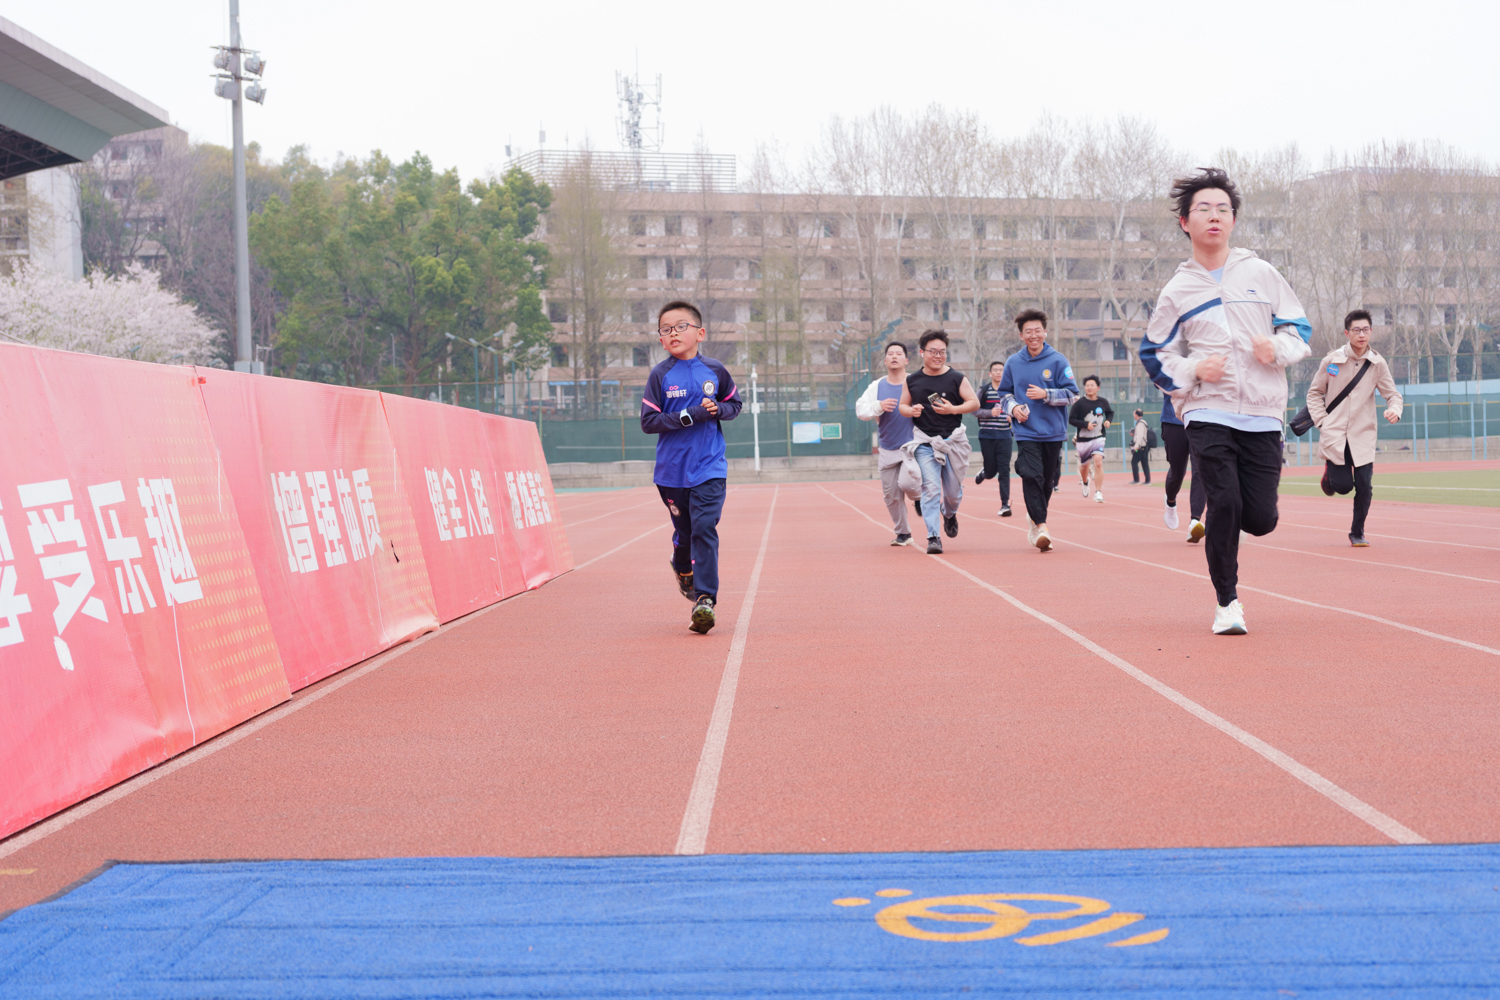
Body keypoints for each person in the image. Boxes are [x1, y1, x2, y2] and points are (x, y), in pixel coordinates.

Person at [1139, 168, 1312, 635]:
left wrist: (1275, 348)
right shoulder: (1177, 291)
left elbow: (1300, 329)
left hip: (1261, 412)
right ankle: (1227, 603)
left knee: (1260, 519)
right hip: (1206, 410)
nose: (1214, 217)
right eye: (1204, 209)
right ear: (1184, 222)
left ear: (1233, 220)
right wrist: (1194, 371)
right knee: (1224, 502)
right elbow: (1154, 355)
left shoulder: (1261, 273)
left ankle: (1232, 531)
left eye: (1223, 210)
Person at [640, 300, 743, 634]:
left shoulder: (715, 370)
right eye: (666, 329)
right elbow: (649, 421)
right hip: (671, 473)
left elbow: (734, 404)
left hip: (709, 467)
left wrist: (718, 411)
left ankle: (705, 600)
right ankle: (681, 564)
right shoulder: (660, 375)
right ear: (661, 339)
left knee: (704, 528)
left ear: (700, 333)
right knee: (685, 534)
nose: (673, 333)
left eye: (680, 326)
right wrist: (690, 415)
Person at [1307, 309, 1403, 546]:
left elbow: (1393, 395)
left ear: (1371, 331)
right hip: (1335, 434)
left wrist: (1395, 410)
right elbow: (1315, 393)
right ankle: (1330, 478)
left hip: (1363, 435)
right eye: (1357, 330)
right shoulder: (1332, 361)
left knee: (1364, 486)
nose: (1362, 334)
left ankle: (1357, 532)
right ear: (1347, 332)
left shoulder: (1377, 364)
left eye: (1366, 329)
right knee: (1342, 487)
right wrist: (1322, 422)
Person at [997, 309, 1079, 551]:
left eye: (1037, 331)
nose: (1033, 335)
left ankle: (1034, 517)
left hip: (1053, 432)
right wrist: (1013, 409)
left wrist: (1047, 394)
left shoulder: (1058, 360)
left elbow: (1073, 395)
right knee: (1031, 474)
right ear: (1021, 335)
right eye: (1028, 332)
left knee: (1046, 481)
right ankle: (1041, 526)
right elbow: (1004, 394)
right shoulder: (1013, 362)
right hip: (1025, 431)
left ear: (1045, 332)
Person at [899, 330, 979, 555]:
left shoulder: (956, 378)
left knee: (953, 493)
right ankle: (933, 536)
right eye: (933, 351)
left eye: (942, 352)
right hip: (925, 443)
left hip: (952, 441)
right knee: (931, 488)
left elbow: (974, 402)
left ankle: (950, 513)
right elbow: (902, 406)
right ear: (922, 352)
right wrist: (911, 410)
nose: (938, 356)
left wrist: (953, 409)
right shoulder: (912, 380)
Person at [855, 341, 921, 545]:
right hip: (887, 448)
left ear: (906, 360)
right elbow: (860, 410)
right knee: (890, 496)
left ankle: (917, 496)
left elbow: (932, 402)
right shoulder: (877, 386)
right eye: (890, 354)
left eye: (898, 353)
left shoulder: (916, 382)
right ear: (885, 360)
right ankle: (903, 533)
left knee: (907, 483)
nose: (894, 356)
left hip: (911, 447)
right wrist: (879, 406)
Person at [1159, 393, 1206, 540]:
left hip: (1201, 420)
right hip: (1174, 420)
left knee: (1200, 469)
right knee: (1178, 471)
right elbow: (1160, 380)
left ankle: (1195, 521)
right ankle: (1170, 502)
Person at [974, 360, 1015, 516]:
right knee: (991, 472)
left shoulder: (1011, 392)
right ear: (990, 374)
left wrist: (1013, 417)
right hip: (987, 436)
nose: (998, 372)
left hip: (1004, 436)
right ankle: (985, 473)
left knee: (1004, 470)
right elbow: (973, 410)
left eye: (1001, 370)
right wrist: (989, 413)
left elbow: (1017, 409)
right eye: (995, 370)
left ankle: (1005, 505)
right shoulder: (983, 390)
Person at [1068, 376, 1113, 502]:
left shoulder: (1103, 402)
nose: (1089, 387)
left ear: (1097, 388)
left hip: (1098, 437)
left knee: (1098, 462)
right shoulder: (1079, 403)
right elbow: (1071, 419)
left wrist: (1108, 421)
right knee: (1084, 467)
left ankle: (1098, 492)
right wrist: (1085, 425)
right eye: (1087, 385)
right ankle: (1085, 481)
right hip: (1083, 440)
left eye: (1092, 385)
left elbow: (1109, 412)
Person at [1129, 409, 1151, 485]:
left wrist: (1136, 446)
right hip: (1144, 447)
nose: (1133, 415)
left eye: (1134, 413)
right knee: (1144, 463)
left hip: (1140, 447)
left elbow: (1140, 436)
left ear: (1136, 415)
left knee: (1134, 462)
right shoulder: (1142, 423)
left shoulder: (1140, 423)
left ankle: (1136, 480)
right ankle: (1147, 480)